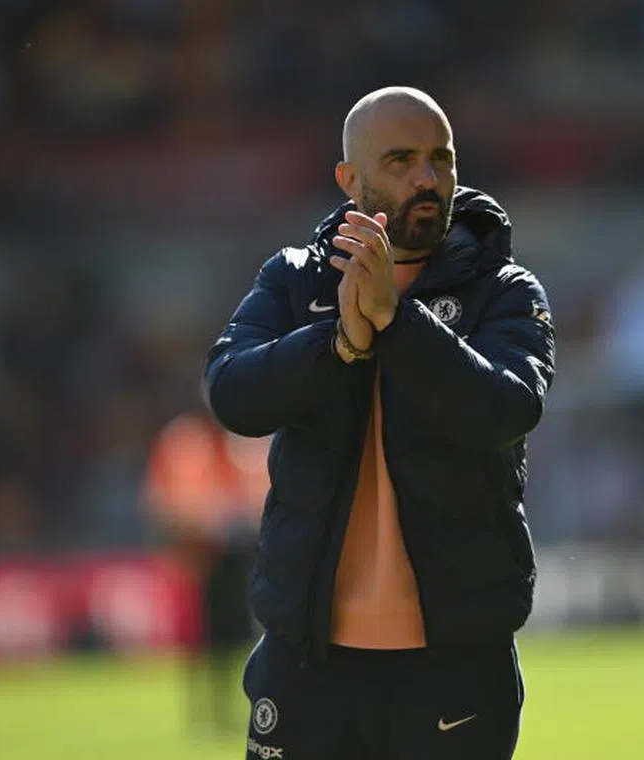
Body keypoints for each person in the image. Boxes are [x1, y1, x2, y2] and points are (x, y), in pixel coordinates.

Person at [204, 86, 555, 760]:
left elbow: (506, 410)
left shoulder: (506, 291)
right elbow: (232, 395)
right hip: (306, 662)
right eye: (400, 160)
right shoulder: (293, 280)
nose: (428, 178)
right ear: (350, 179)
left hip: (455, 665)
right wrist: (340, 343)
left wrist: (396, 319)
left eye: (440, 159)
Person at [144, 404, 270, 734]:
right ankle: (206, 710)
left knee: (231, 635)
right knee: (205, 639)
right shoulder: (187, 442)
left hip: (233, 553)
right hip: (199, 555)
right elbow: (165, 501)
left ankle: (223, 708)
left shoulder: (234, 442)